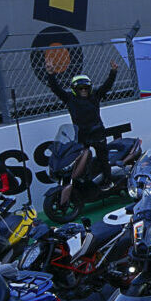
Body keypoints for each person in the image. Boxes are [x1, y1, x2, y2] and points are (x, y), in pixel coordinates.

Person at [41, 65, 120, 205]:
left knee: (103, 158)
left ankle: (108, 180)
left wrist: (113, 72)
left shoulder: (95, 96)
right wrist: (51, 74)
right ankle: (85, 184)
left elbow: (107, 86)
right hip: (81, 136)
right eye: (80, 88)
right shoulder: (69, 99)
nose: (84, 91)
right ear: (75, 89)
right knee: (80, 160)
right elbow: (56, 89)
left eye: (86, 88)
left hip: (97, 133)